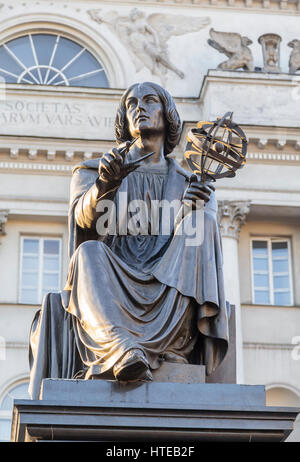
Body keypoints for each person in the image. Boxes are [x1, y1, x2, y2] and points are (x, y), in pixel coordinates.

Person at [29, 82, 229, 394]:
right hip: (111, 276)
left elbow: (200, 252)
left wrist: (192, 209)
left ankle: (174, 344)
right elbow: (83, 222)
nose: (139, 108)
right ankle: (121, 348)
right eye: (132, 103)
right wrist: (105, 184)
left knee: (202, 224)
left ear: (168, 114)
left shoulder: (190, 182)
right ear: (125, 118)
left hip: (168, 281)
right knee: (87, 254)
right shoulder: (95, 170)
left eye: (150, 101)